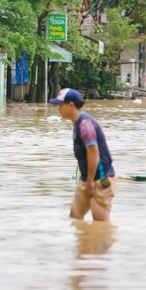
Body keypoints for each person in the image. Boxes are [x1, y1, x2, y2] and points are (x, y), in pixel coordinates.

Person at [50, 88, 116, 223]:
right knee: (75, 217)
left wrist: (91, 181)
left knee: (101, 224)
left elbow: (93, 152)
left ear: (71, 105)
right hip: (87, 179)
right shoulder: (77, 123)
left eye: (60, 105)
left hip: (100, 180)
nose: (58, 108)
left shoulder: (85, 124)